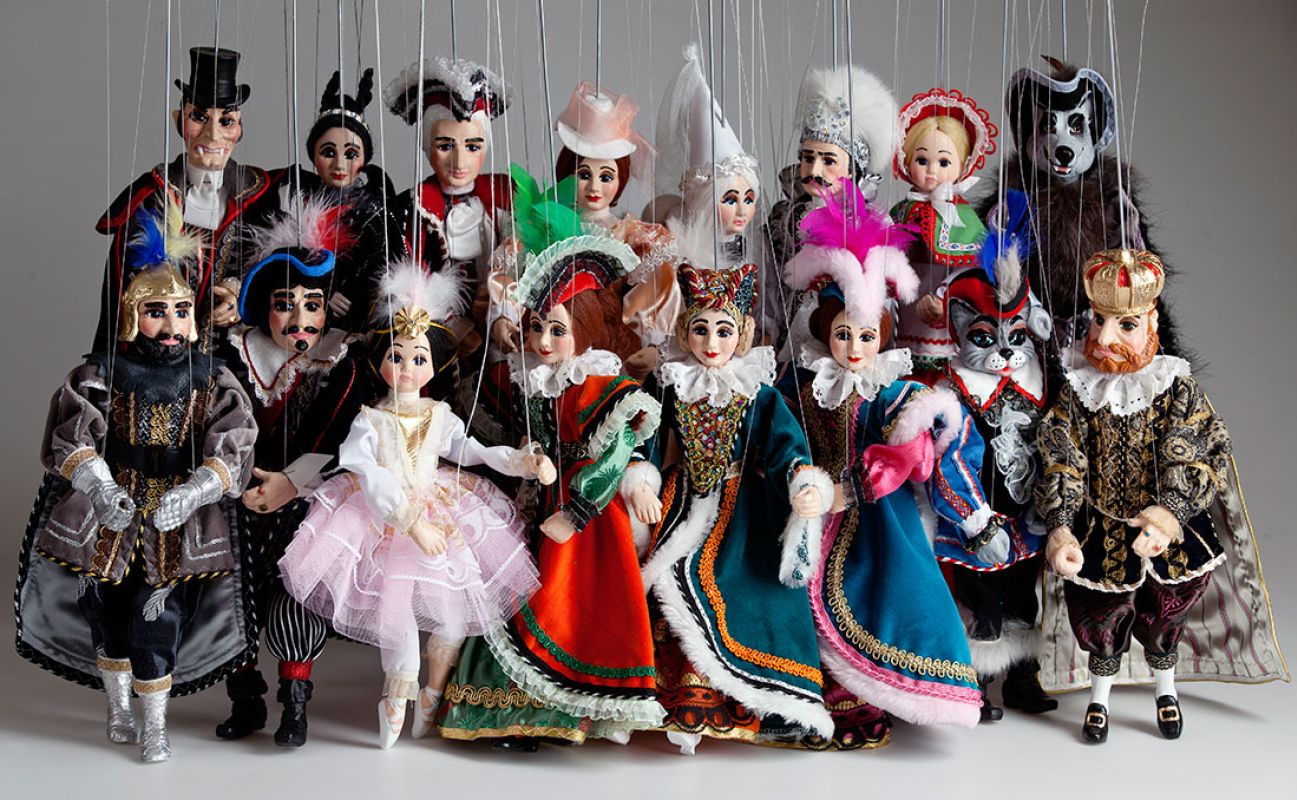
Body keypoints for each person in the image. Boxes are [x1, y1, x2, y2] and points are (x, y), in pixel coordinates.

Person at [16, 207, 257, 762]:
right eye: (156, 312)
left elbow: (235, 442)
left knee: (160, 616)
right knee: (106, 614)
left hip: (179, 514)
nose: (171, 326)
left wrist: (195, 491)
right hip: (111, 509)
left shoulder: (211, 378)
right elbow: (71, 434)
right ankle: (119, 708)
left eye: (180, 311)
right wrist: (100, 487)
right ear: (131, 315)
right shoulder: (99, 373)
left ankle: (156, 724)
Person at [93, 47, 277, 352]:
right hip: (160, 353)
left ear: (239, 129)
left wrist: (239, 295)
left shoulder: (258, 198)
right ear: (179, 121)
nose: (213, 135)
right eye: (199, 118)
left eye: (226, 121)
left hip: (230, 356)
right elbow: (123, 287)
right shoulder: (151, 197)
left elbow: (275, 270)